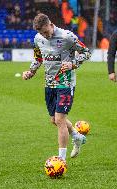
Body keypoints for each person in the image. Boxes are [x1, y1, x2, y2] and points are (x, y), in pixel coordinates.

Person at [22, 13, 91, 160]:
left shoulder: (67, 36)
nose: (44, 35)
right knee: (54, 120)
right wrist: (31, 71)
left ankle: (61, 160)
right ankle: (77, 136)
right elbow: (38, 57)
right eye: (41, 33)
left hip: (65, 83)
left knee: (60, 119)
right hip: (49, 83)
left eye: (45, 32)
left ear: (50, 24)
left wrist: (73, 64)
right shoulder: (38, 39)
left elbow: (86, 52)